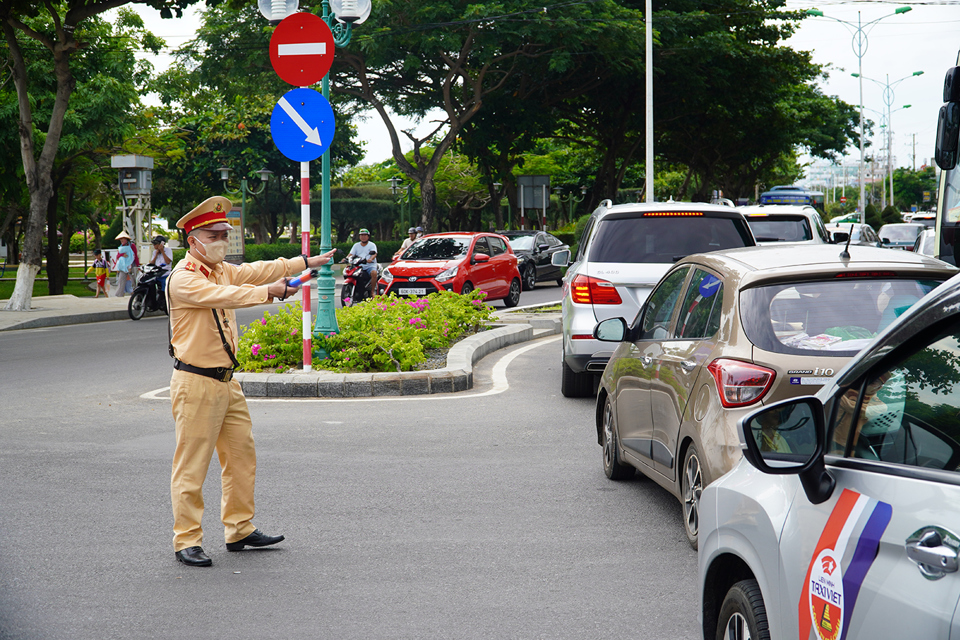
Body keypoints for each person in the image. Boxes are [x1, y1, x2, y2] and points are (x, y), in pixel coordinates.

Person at [166, 195, 336, 567]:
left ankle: (239, 529)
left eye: (225, 234)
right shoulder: (184, 280)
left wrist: (306, 262)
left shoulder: (223, 269)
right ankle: (186, 540)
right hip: (195, 383)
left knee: (242, 457)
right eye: (214, 235)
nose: (222, 242)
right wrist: (269, 292)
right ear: (194, 240)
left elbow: (260, 269)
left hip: (228, 383)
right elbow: (227, 295)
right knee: (192, 465)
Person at [345, 228, 378, 298]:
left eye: (365, 235)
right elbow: (351, 254)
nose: (363, 237)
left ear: (368, 236)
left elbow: (374, 254)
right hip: (359, 265)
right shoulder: (356, 245)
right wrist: (346, 259)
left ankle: (372, 292)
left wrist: (370, 259)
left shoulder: (372, 245)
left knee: (374, 273)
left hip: (369, 265)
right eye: (361, 235)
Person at [113, 231, 135, 297]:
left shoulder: (132, 246)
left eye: (123, 239)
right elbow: (117, 256)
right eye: (120, 239)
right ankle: (119, 294)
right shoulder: (120, 247)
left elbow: (134, 255)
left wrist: (136, 265)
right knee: (121, 281)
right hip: (122, 266)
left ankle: (136, 294)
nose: (121, 240)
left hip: (131, 265)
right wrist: (122, 254)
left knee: (133, 280)